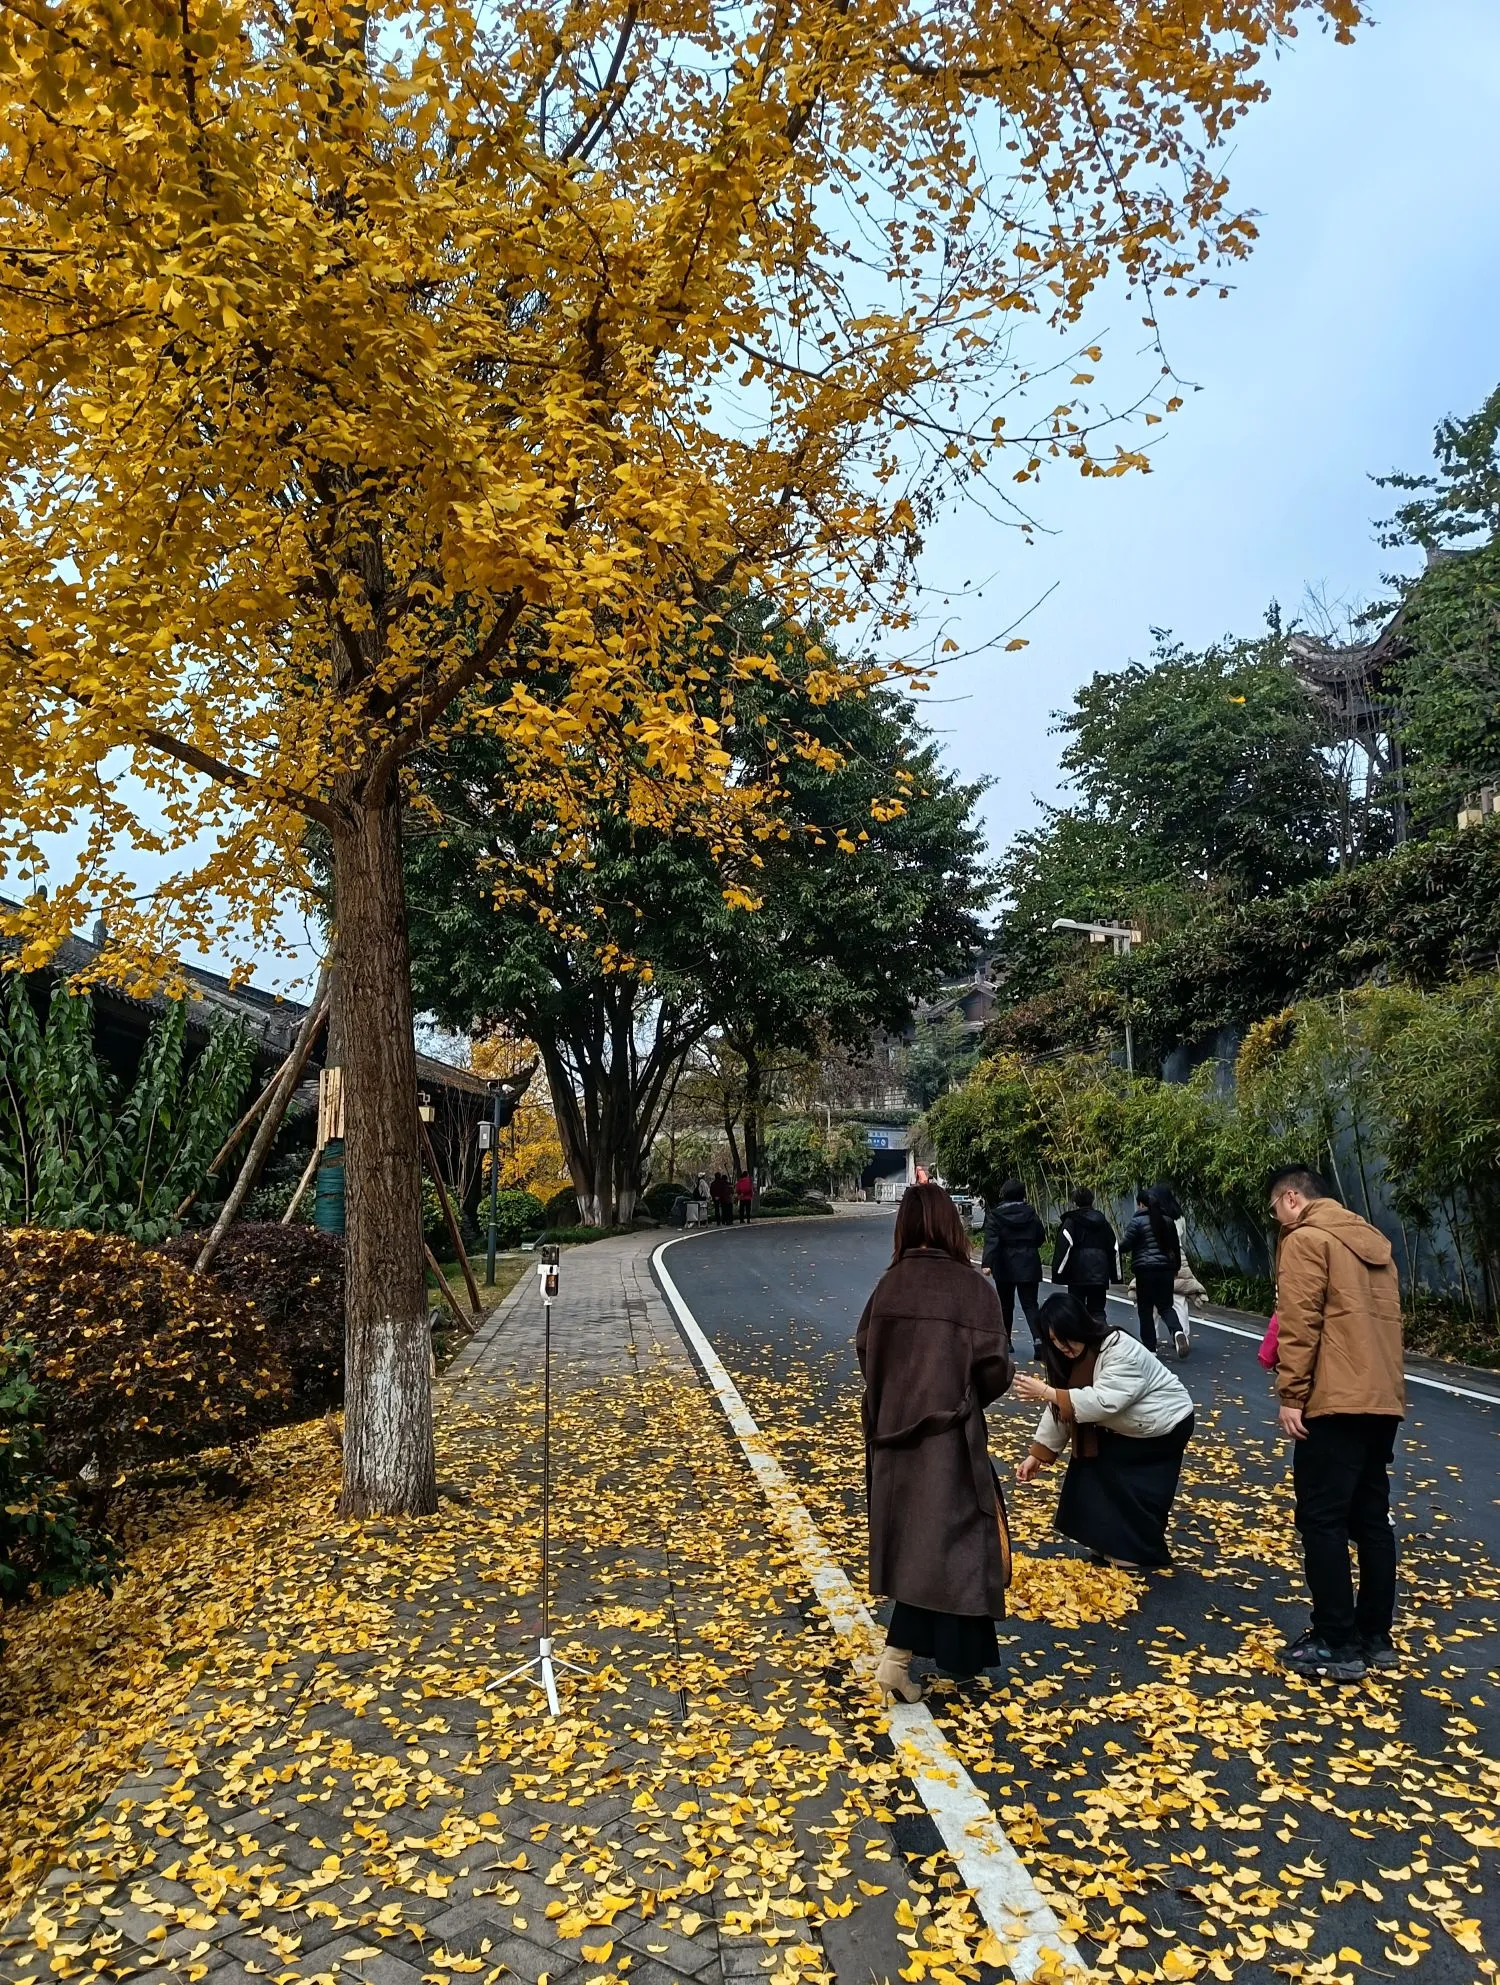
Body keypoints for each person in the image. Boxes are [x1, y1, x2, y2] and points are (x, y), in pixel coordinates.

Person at [857, 1182, 1014, 1701]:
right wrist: (964, 1397)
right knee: (956, 1546)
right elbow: (995, 1368)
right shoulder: (972, 1289)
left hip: (891, 1437)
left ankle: (931, 1658)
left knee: (915, 1545)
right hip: (949, 1441)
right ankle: (898, 1659)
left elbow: (867, 1355)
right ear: (952, 1225)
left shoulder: (888, 1287)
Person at [1270, 1164, 1405, 1682]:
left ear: (1291, 1198)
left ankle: (1335, 1641)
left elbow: (1299, 1324)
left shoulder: (1306, 1240)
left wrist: (1292, 1394)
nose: (1278, 1219)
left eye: (1276, 1209)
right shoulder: (1375, 1246)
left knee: (1322, 1520)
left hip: (1335, 1401)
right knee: (1371, 1519)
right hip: (1382, 1400)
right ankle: (1375, 1636)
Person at [1013, 1290, 1194, 1569]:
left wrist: (1046, 1391)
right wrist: (1037, 1455)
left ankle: (1138, 1552)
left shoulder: (1119, 1347)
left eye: (1066, 1337)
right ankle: (1109, 1544)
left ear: (1080, 1327)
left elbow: (1103, 1403)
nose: (1062, 1346)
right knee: (1089, 1468)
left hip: (1164, 1425)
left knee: (1135, 1490)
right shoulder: (1069, 1358)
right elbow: (1063, 1408)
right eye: (1054, 1341)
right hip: (1129, 1426)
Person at [980, 1179, 1047, 1360]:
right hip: (1029, 1262)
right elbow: (1040, 1236)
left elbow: (992, 1240)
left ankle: (1006, 1341)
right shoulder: (1031, 1213)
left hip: (1004, 1263)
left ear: (1003, 1194)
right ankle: (1039, 1340)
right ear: (1023, 1194)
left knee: (1005, 1304)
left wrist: (987, 1263)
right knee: (1030, 1304)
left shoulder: (996, 1215)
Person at [1120, 1186, 1188, 1358]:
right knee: (1166, 1306)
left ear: (1141, 1204)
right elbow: (1175, 1247)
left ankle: (1150, 1348)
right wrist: (1175, 1268)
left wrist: (1116, 1248)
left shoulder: (1137, 1222)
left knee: (1145, 1309)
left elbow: (1126, 1245)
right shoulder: (1168, 1220)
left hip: (1145, 1271)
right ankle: (1178, 1332)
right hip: (1166, 1270)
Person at [1052, 1186, 1119, 1320]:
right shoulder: (1103, 1222)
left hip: (1077, 1272)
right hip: (1100, 1272)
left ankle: (1080, 1333)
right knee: (1098, 1311)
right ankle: (1101, 1331)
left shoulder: (1071, 1221)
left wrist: (1058, 1272)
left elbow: (1064, 1247)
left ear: (1075, 1202)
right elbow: (1114, 1247)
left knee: (1077, 1310)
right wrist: (1116, 1275)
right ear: (1092, 1200)